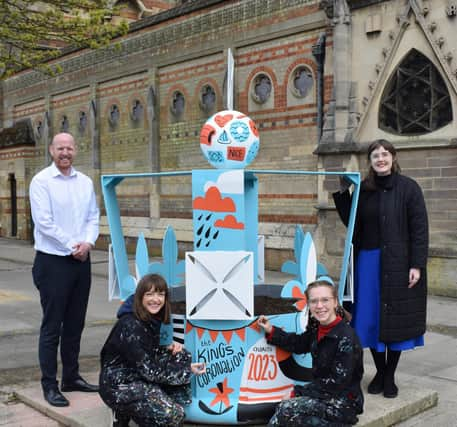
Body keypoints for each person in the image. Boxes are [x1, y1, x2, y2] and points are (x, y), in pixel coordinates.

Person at [333, 139, 428, 398]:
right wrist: (344, 194)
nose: (381, 159)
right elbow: (353, 225)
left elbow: (420, 230)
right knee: (370, 319)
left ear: (393, 157)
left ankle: (389, 376)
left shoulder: (409, 188)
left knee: (396, 319)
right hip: (368, 262)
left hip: (399, 262)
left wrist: (417, 265)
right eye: (376, 155)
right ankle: (380, 371)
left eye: (385, 154)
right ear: (370, 161)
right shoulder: (364, 190)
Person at [30, 132, 100, 407]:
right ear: (51, 150)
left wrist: (89, 243)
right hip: (53, 261)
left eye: (69, 148)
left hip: (81, 261)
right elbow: (44, 222)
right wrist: (74, 245)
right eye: (60, 148)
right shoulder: (41, 182)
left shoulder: (84, 182)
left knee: (75, 323)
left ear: (75, 150)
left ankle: (71, 377)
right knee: (52, 326)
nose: (65, 153)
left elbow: (93, 216)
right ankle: (50, 385)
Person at [99, 274, 206, 427]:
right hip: (119, 385)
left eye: (160, 294)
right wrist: (186, 370)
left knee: (180, 355)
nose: (155, 299)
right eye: (149, 294)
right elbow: (149, 370)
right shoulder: (130, 325)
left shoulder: (150, 318)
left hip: (137, 376)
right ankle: (125, 410)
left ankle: (153, 406)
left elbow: (144, 354)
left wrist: (168, 352)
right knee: (174, 416)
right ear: (140, 297)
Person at [257, 280, 364, 427]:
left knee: (286, 409)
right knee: (286, 413)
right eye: (314, 301)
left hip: (343, 402)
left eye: (325, 300)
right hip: (322, 395)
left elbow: (337, 382)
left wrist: (298, 392)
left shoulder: (347, 337)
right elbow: (298, 343)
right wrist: (272, 330)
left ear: (335, 303)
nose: (319, 306)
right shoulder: (317, 329)